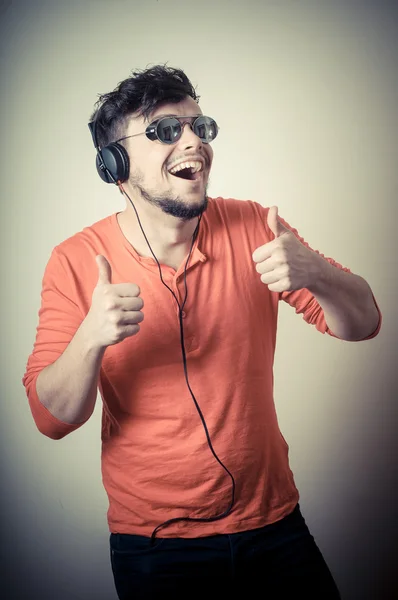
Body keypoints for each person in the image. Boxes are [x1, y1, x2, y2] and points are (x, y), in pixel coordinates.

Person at [23, 64, 381, 599]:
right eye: (165, 130)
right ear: (115, 164)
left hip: (274, 522)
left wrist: (318, 274)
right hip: (155, 546)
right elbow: (51, 419)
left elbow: (364, 325)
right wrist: (90, 338)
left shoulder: (257, 225)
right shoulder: (74, 261)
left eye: (199, 126)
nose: (194, 140)